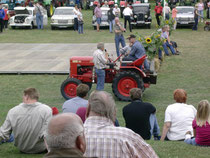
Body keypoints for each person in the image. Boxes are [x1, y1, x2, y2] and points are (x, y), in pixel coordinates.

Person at [84, 91, 159, 158]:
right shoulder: (127, 137)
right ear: (114, 113)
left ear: (87, 110)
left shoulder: (74, 135)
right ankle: (156, 134)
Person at [0, 88, 52, 153]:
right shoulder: (46, 110)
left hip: (23, 149)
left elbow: (3, 133)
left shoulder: (13, 111)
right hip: (40, 148)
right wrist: (51, 152)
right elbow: (46, 134)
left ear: (26, 97)